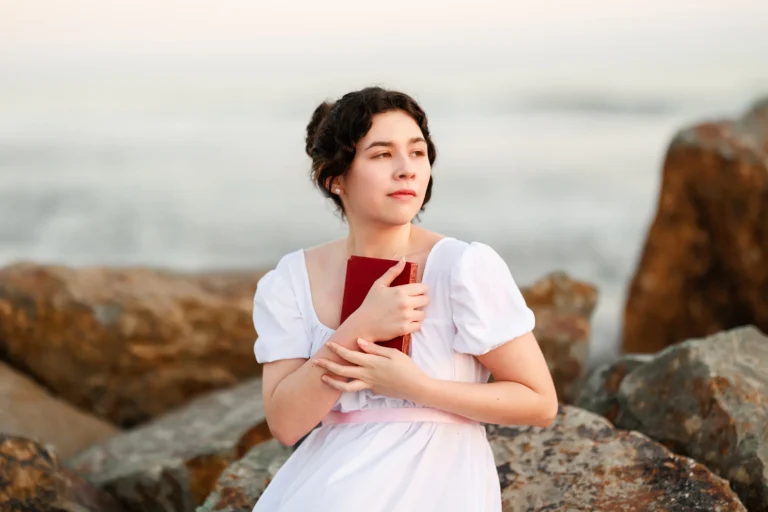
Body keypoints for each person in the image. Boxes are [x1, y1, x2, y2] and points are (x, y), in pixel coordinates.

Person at [250, 86, 558, 512]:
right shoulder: (290, 280)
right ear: (334, 178)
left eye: (417, 152)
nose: (407, 169)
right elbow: (285, 424)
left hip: (439, 488)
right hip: (327, 490)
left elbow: (540, 402)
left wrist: (417, 387)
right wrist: (360, 326)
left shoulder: (462, 267)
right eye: (381, 155)